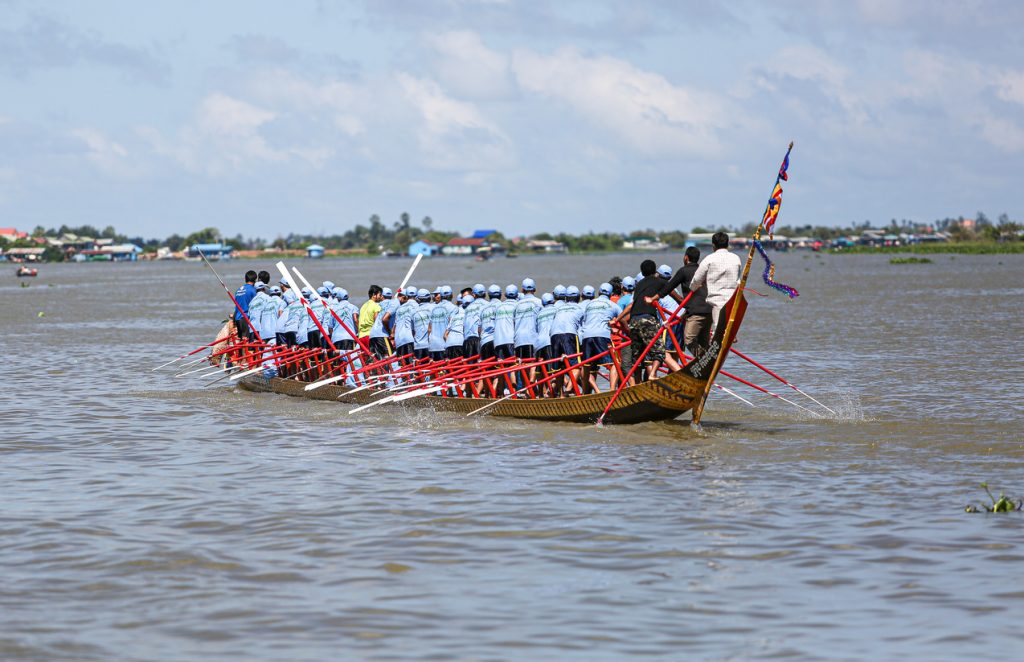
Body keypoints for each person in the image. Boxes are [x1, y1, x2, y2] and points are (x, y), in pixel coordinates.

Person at [613, 260, 681, 384]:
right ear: (655, 271)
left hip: (634, 320)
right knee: (659, 351)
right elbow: (674, 296)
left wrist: (617, 319)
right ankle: (653, 374)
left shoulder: (639, 285)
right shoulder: (660, 281)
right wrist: (685, 304)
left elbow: (631, 305)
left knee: (637, 357)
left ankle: (638, 384)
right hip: (648, 319)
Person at [687, 231, 741, 332]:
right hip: (734, 301)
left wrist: (693, 287)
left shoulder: (709, 259)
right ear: (727, 244)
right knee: (729, 331)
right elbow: (738, 279)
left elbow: (696, 279)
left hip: (718, 302)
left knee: (718, 331)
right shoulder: (736, 258)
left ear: (713, 245)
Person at [580, 282, 622, 393]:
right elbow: (623, 318)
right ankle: (612, 391)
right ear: (611, 294)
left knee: (586, 366)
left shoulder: (589, 304)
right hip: (602, 336)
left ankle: (585, 393)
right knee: (615, 364)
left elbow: (583, 320)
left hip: (586, 336)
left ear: (598, 293)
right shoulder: (613, 305)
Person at [428, 285, 456, 361]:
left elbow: (429, 329)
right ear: (452, 295)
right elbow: (453, 325)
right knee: (447, 371)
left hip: (433, 345)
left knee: (436, 370)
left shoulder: (433, 308)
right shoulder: (453, 308)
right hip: (445, 344)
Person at [369, 287, 397, 359]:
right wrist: (390, 332)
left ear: (382, 296)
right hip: (382, 334)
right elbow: (384, 320)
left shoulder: (378, 304)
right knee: (391, 357)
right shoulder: (394, 303)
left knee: (379, 359)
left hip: (372, 334)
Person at [329, 287, 359, 351]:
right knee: (349, 358)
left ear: (338, 299)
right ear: (348, 297)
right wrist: (358, 333)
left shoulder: (333, 310)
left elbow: (330, 328)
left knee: (340, 359)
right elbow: (356, 320)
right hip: (349, 337)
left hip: (336, 338)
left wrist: (333, 337)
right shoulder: (353, 307)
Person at [462, 284, 486, 360]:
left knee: (469, 367)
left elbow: (464, 326)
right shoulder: (488, 305)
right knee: (481, 366)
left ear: (474, 295)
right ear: (485, 294)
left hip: (467, 341)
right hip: (479, 339)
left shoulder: (468, 308)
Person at [393, 286, 418, 358]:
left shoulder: (399, 309)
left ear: (406, 296)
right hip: (409, 339)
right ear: (416, 297)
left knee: (402, 366)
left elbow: (394, 327)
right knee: (411, 366)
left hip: (398, 340)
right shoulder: (416, 306)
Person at [232, 270, 258, 339]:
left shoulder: (238, 290)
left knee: (241, 341)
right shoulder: (253, 290)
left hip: (238, 318)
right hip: (245, 318)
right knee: (246, 342)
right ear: (255, 280)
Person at [479, 284, 501, 361]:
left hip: (485, 342)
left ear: (488, 295)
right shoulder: (502, 306)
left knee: (487, 370)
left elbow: (479, 329)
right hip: (498, 342)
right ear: (501, 295)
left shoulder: (483, 308)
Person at [444, 295, 469, 359]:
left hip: (449, 344)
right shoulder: (468, 313)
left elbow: (445, 335)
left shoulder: (454, 314)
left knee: (451, 367)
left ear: (457, 303)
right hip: (461, 343)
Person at [411, 288, 433, 360]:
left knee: (420, 369)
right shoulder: (434, 308)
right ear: (429, 298)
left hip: (418, 346)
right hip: (430, 345)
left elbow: (413, 331)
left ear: (418, 299)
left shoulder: (413, 312)